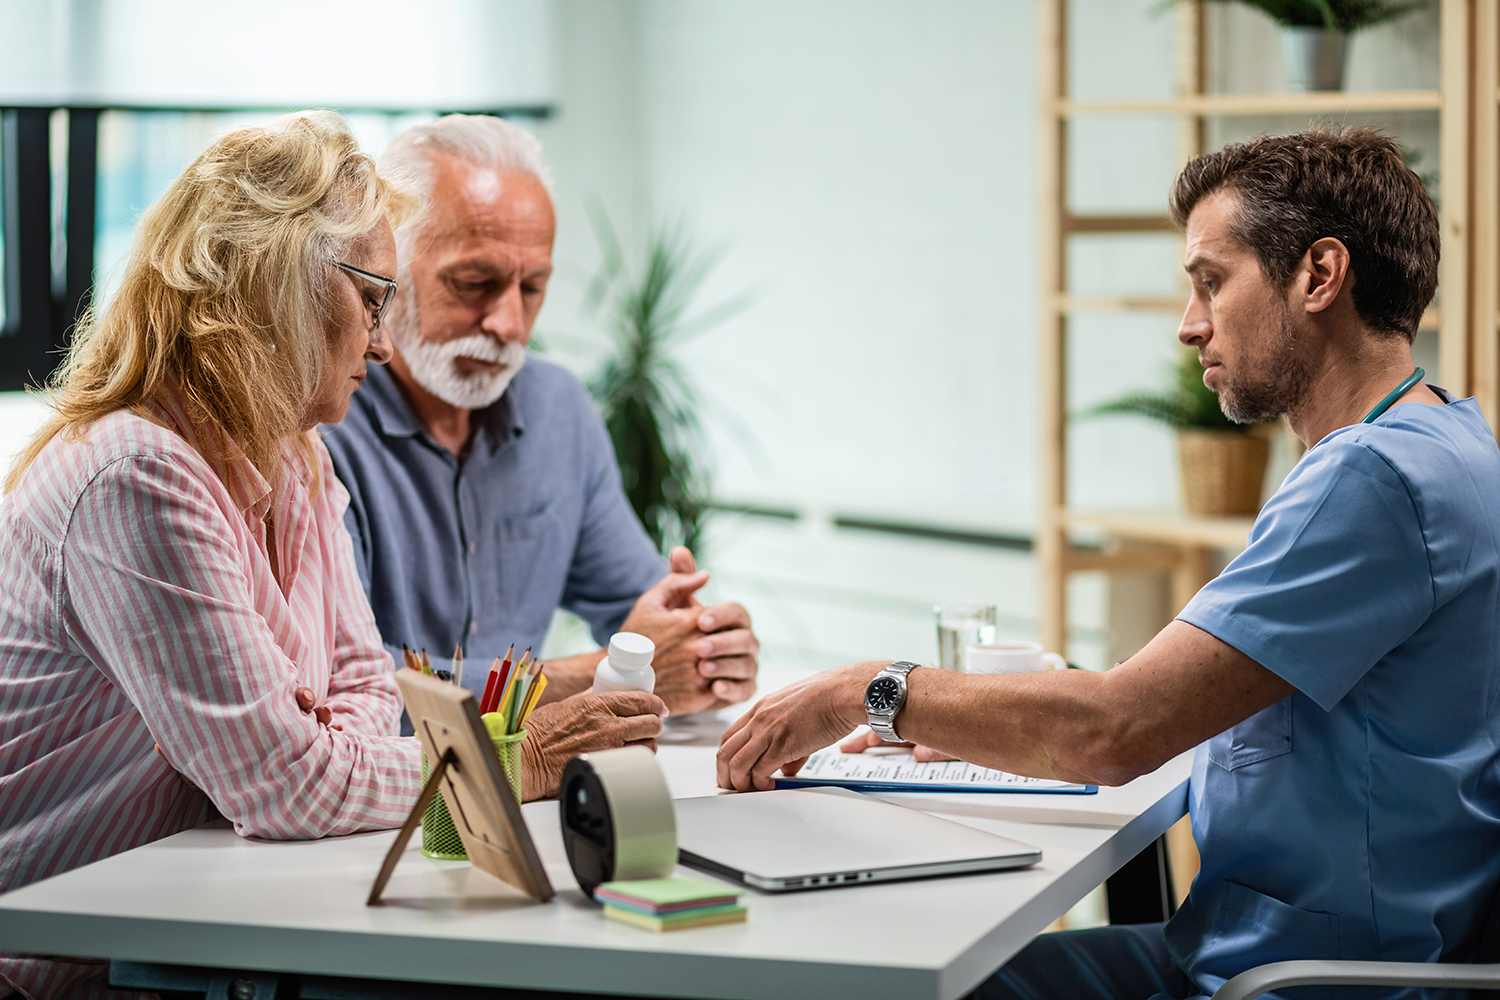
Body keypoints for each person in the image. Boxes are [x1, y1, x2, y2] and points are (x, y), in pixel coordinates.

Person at [719, 127, 1500, 999]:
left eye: (1212, 281)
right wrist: (1003, 717)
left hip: (1296, 980)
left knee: (889, 980)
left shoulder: (1371, 479)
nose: (1190, 324)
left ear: (1319, 275)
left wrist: (863, 691)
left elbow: (1116, 731)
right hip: (1288, 948)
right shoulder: (1451, 442)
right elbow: (1247, 700)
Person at [0, 112, 664, 1000]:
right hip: (53, 972)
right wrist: (518, 761)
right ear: (276, 288)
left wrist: (322, 754)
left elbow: (367, 693)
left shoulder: (296, 453)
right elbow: (287, 786)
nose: (384, 343)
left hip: (187, 930)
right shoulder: (137, 474)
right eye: (373, 301)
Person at [320, 114, 760, 717]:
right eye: (475, 282)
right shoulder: (322, 420)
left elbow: (642, 616)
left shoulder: (559, 410)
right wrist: (599, 676)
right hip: (391, 777)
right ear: (389, 265)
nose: (509, 325)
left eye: (531, 288)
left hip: (534, 770)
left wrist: (705, 647)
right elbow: (351, 687)